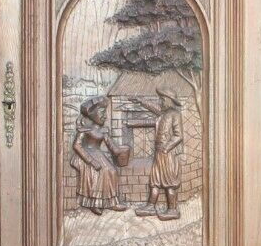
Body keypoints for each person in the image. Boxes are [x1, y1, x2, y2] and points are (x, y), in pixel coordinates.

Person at [70, 95, 129, 215]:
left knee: (112, 171)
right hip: (86, 156)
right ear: (93, 115)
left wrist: (120, 152)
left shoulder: (104, 131)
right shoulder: (85, 130)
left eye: (105, 113)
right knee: (97, 173)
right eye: (102, 113)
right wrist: (91, 161)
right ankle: (93, 203)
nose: (105, 116)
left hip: (98, 153)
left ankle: (111, 202)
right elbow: (76, 146)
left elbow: (112, 147)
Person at [135, 88, 184, 221]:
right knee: (155, 181)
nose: (160, 101)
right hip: (159, 153)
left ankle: (172, 209)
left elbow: (179, 135)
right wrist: (141, 101)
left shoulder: (175, 114)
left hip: (168, 154)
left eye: (162, 99)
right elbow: (154, 107)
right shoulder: (164, 113)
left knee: (169, 182)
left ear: (169, 100)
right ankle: (151, 206)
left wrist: (166, 148)